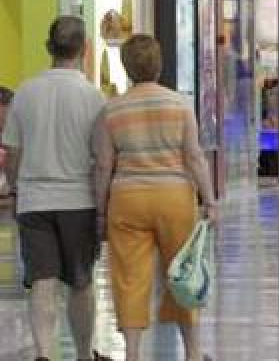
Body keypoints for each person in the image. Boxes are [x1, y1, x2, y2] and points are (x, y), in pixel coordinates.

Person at [93, 35, 218, 361]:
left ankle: (132, 354)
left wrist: (100, 210)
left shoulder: (112, 109)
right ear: (159, 64)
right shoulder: (179, 105)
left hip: (127, 199)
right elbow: (194, 157)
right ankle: (192, 352)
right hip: (174, 198)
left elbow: (104, 164)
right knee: (183, 273)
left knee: (130, 277)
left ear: (126, 67)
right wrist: (210, 199)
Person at [1, 17, 112, 361]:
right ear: (84, 49)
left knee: (42, 281)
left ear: (48, 48)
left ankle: (44, 354)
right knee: (80, 282)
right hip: (79, 200)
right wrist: (103, 205)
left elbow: (12, 154)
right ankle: (82, 354)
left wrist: (19, 188)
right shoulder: (94, 98)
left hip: (34, 201)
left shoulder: (25, 93)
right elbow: (101, 156)